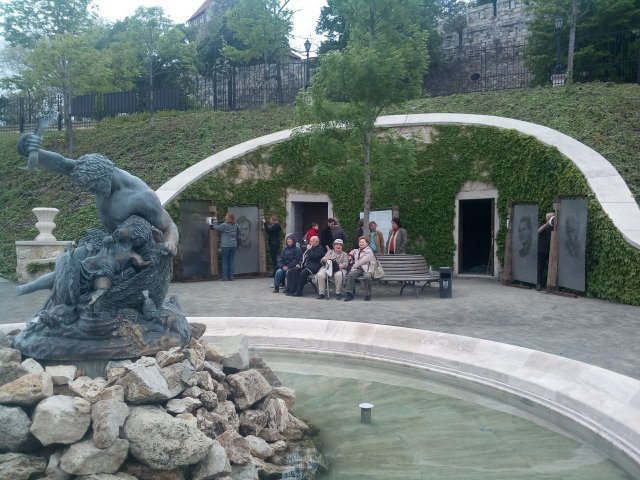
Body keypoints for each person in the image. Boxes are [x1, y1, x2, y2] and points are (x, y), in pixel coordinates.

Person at [17, 133, 179, 255]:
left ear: (103, 179)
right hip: (110, 246)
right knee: (72, 259)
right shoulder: (89, 169)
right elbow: (61, 163)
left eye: (93, 188)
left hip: (137, 254)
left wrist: (170, 243)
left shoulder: (142, 197)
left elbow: (169, 227)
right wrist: (29, 147)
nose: (92, 192)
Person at [344, 236, 376, 302]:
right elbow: (353, 251)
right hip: (359, 269)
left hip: (367, 269)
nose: (361, 243)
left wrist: (353, 266)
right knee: (351, 274)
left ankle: (368, 294)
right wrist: (350, 255)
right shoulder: (358, 250)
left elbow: (363, 261)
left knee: (367, 277)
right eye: (360, 242)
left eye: (363, 242)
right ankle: (350, 293)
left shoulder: (369, 251)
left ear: (367, 243)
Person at [209, 212, 239, 281]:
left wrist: (215, 220)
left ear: (227, 218)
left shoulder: (225, 225)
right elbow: (239, 232)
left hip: (225, 246)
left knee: (225, 261)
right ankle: (231, 276)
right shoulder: (236, 225)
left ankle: (225, 277)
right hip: (233, 245)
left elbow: (215, 227)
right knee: (231, 261)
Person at [536, 212, 555, 291]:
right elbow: (539, 230)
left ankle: (550, 284)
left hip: (551, 252)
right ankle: (539, 284)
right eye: (552, 217)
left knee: (551, 268)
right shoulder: (544, 227)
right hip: (542, 251)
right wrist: (547, 223)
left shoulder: (554, 227)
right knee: (540, 269)